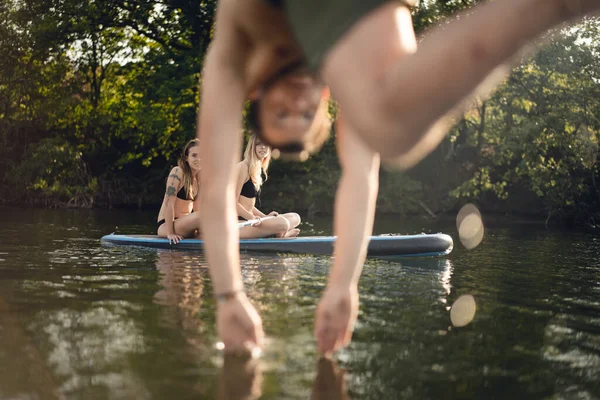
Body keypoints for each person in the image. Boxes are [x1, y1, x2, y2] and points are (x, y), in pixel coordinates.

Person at [197, 0, 600, 354]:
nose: (298, 105)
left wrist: (229, 296)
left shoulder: (235, 52)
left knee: (389, 132)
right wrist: (342, 286)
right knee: (395, 139)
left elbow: (215, 190)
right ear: (324, 100)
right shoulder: (344, 71)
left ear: (256, 96)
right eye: (305, 117)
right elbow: (360, 178)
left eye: (282, 113)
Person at [236, 133, 301, 239]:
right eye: (258, 144)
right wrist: (252, 218)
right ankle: (281, 233)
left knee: (295, 217)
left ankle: (278, 232)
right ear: (252, 147)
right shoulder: (242, 167)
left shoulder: (255, 170)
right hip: (238, 224)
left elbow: (248, 206)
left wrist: (264, 217)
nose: (263, 147)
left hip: (251, 220)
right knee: (283, 223)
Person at [157, 139, 203, 244]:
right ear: (186, 158)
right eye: (194, 155)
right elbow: (169, 203)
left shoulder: (199, 180)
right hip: (167, 225)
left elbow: (196, 209)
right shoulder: (177, 172)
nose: (199, 159)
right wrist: (170, 233)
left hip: (185, 225)